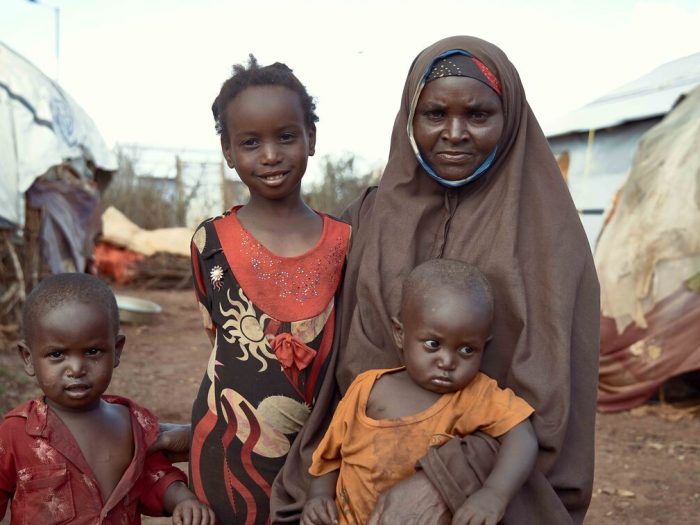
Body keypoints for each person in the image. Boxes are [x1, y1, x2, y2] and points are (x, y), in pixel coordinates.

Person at [272, 36, 600, 525]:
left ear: (510, 120)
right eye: (434, 114)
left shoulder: (550, 240)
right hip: (354, 484)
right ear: (410, 117)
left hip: (489, 496)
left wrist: (445, 481)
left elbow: (548, 413)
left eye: (479, 115)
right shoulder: (368, 218)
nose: (455, 133)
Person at [183, 55, 351, 524]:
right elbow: (217, 339)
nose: (271, 155)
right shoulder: (208, 243)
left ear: (311, 139)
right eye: (251, 142)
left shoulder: (346, 243)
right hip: (223, 452)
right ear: (228, 151)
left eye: (286, 136)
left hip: (319, 458)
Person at [301, 259, 538, 525]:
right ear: (400, 334)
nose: (447, 362)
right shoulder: (368, 389)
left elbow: (523, 436)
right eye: (433, 344)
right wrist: (318, 497)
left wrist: (494, 494)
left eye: (467, 350)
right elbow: (330, 456)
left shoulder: (475, 395)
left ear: (485, 346)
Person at [0, 273, 214, 525]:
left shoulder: (134, 424)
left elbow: (153, 477)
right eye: (57, 354)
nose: (77, 368)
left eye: (93, 351)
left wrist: (183, 500)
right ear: (28, 358)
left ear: (117, 350)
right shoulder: (16, 433)